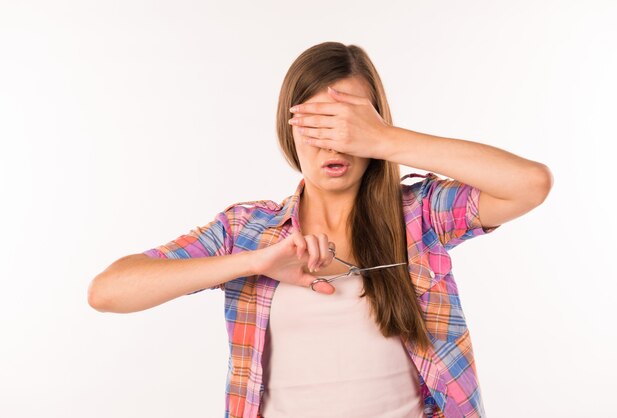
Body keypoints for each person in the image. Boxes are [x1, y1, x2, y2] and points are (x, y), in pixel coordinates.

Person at [87, 41, 553, 418]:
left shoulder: (420, 214)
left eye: (347, 124)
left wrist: (385, 140)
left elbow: (529, 185)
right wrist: (255, 263)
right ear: (289, 129)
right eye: (316, 123)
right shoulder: (247, 229)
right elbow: (108, 292)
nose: (335, 142)